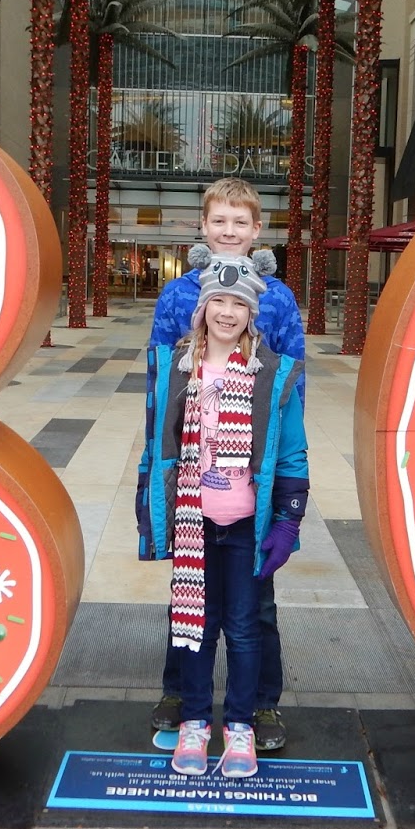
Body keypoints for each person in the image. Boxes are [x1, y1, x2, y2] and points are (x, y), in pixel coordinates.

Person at [145, 177, 305, 750]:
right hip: (191, 471)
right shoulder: (178, 295)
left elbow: (291, 383)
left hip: (250, 473)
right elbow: (159, 384)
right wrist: (157, 473)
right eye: (220, 221)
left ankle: (260, 704)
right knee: (186, 592)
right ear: (203, 227)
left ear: (257, 230)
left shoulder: (280, 298)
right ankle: (178, 693)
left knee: (255, 601)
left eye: (241, 222)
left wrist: (283, 479)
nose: (229, 231)